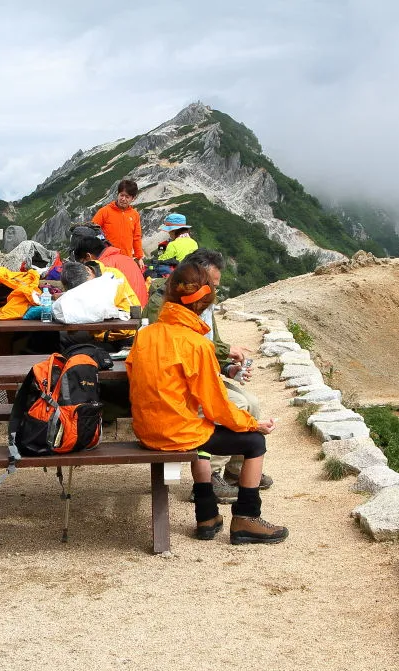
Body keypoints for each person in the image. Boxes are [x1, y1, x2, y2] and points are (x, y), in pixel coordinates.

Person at [125, 262, 286, 544]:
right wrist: (253, 424)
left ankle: (208, 515)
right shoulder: (197, 344)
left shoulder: (145, 335)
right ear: (203, 304)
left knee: (201, 429)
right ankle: (247, 518)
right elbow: (217, 406)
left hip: (146, 430)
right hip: (174, 434)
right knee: (253, 443)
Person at [144, 248, 272, 502]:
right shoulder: (163, 303)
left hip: (202, 371)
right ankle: (211, 477)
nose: (213, 292)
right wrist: (253, 426)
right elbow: (184, 346)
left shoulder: (203, 303)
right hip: (182, 383)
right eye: (211, 285)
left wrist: (227, 368)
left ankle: (237, 470)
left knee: (252, 402)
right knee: (238, 407)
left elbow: (211, 343)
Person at [70, 224, 149, 307]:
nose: (85, 266)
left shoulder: (103, 266)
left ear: (88, 256)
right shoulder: (128, 259)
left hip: (127, 314)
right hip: (142, 310)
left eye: (84, 262)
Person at [91, 178, 144, 262]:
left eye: (127, 197)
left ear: (133, 198)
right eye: (121, 195)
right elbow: (92, 231)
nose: (123, 199)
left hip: (126, 258)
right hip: (106, 258)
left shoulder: (135, 215)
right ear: (118, 194)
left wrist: (139, 257)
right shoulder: (104, 211)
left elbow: (136, 237)